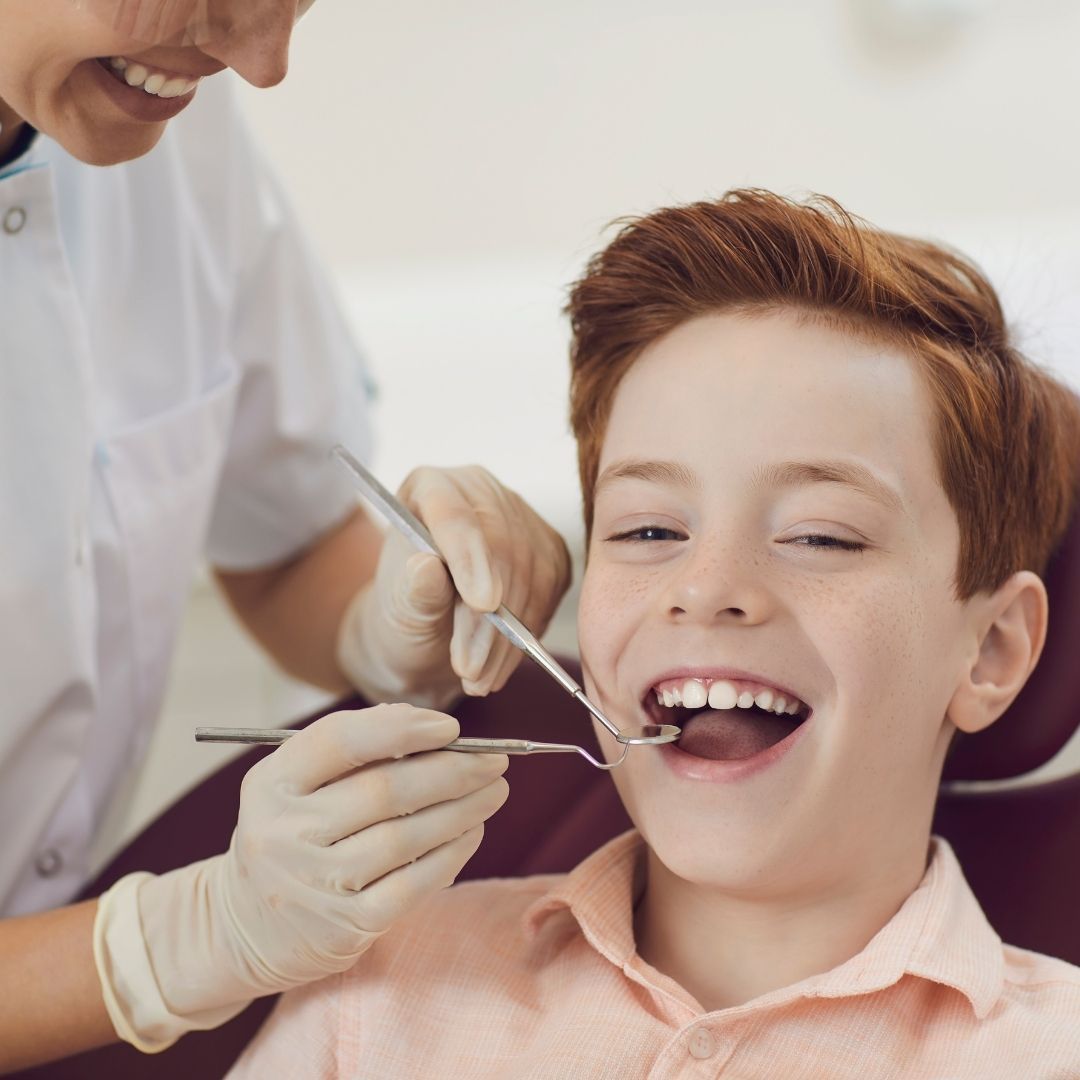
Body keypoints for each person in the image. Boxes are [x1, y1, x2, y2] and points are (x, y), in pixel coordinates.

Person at [227, 190, 1080, 1078]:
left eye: (821, 535)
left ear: (990, 652)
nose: (706, 588)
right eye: (647, 531)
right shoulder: (390, 988)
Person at [0, 0, 570, 1070]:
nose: (262, 66)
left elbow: (287, 540)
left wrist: (395, 612)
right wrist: (170, 948)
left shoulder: (156, 115)